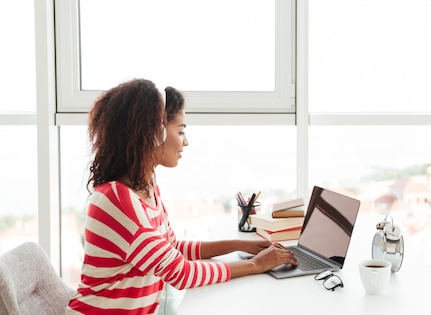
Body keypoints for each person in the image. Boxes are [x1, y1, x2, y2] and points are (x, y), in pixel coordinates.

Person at [66, 78, 297, 315]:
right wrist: (256, 264)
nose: (185, 141)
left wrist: (242, 245)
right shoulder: (116, 200)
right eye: (180, 130)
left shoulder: (146, 187)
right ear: (155, 133)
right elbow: (181, 273)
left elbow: (172, 248)